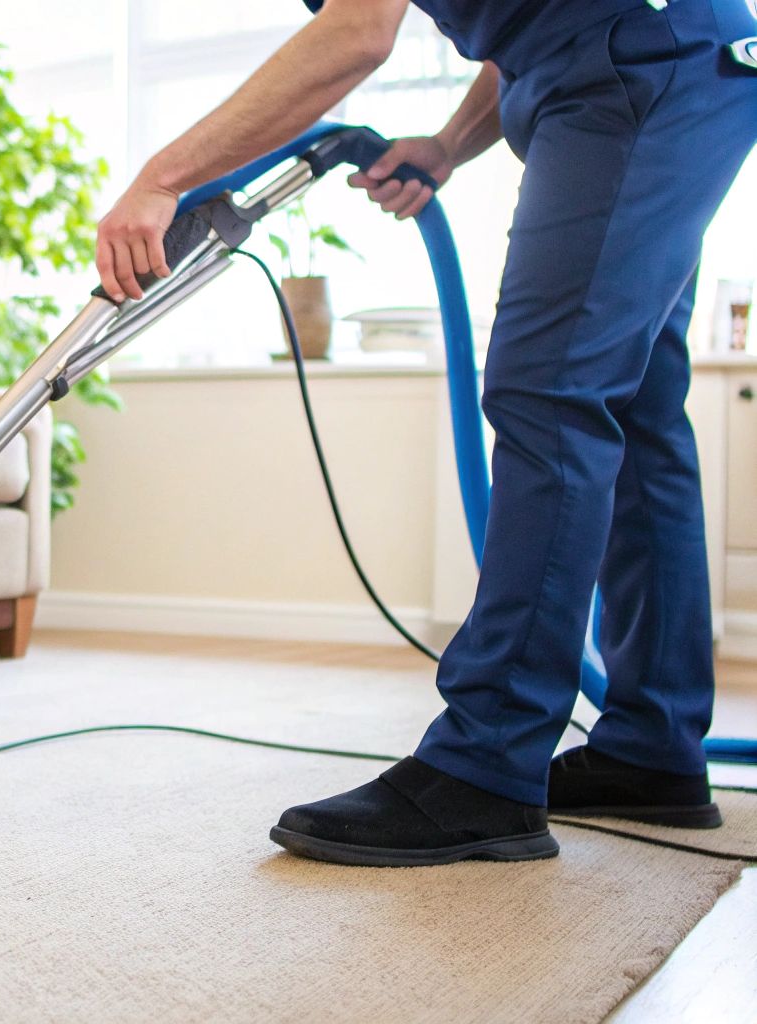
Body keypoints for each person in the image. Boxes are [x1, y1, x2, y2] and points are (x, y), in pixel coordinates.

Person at [97, 0, 757, 866]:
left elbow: (357, 34)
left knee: (548, 394)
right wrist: (449, 143)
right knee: (632, 421)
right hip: (669, 71)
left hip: (635, 77)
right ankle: (653, 747)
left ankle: (487, 764)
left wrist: (164, 174)